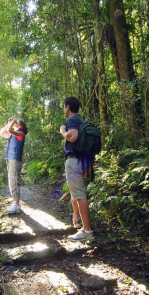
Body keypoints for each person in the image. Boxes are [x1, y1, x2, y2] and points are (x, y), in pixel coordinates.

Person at [60, 96, 94, 241]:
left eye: (64, 107)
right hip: (82, 161)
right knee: (77, 192)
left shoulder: (71, 120)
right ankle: (78, 220)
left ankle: (87, 231)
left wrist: (62, 131)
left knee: (79, 194)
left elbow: (72, 137)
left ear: (67, 107)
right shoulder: (81, 120)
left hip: (74, 160)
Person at [0, 117, 28, 213]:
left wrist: (11, 123)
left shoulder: (20, 133)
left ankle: (16, 205)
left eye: (17, 122)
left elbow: (9, 130)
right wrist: (9, 123)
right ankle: (15, 204)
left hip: (15, 160)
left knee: (14, 182)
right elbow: (1, 133)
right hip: (11, 160)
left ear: (21, 126)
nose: (15, 123)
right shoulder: (12, 135)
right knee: (12, 182)